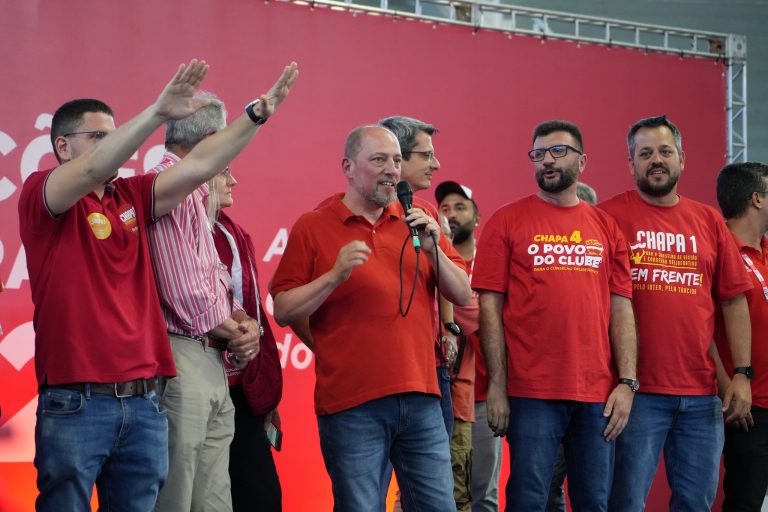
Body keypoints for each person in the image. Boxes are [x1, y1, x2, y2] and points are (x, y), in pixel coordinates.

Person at [19, 60, 213, 511]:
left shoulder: (128, 195)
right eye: (99, 137)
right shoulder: (41, 192)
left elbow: (200, 165)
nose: (115, 146)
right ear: (62, 146)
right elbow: (89, 173)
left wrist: (257, 116)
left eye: (115, 134)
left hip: (145, 402)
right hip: (76, 399)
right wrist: (157, 113)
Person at [270, 125, 471, 511]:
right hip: (352, 405)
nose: (392, 170)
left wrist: (434, 252)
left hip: (423, 399)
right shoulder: (314, 226)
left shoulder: (421, 217)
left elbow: (462, 293)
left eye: (396, 160)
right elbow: (283, 310)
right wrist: (333, 277)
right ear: (348, 166)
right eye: (379, 160)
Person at [148, 63, 298, 512]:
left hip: (214, 356)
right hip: (182, 354)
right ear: (211, 142)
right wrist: (233, 328)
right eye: (225, 147)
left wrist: (240, 326)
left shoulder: (198, 195)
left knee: (214, 499)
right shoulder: (165, 179)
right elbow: (183, 292)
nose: (231, 169)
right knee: (178, 494)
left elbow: (209, 280)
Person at [473, 120, 638, 511]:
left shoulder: (606, 228)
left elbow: (621, 307)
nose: (547, 160)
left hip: (597, 392)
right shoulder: (507, 220)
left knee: (593, 502)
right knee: (528, 500)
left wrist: (628, 382)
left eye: (558, 152)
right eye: (539, 153)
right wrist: (497, 385)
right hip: (532, 392)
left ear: (582, 161)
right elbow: (489, 306)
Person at [600, 115, 753, 511]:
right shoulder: (606, 218)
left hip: (701, 397)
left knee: (695, 504)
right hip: (634, 393)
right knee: (624, 502)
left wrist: (742, 373)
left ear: (682, 158)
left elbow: (734, 300)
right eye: (645, 153)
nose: (656, 160)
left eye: (665, 151)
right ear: (630, 163)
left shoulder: (708, 221)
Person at [379, 115, 462, 438]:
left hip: (431, 368)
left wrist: (449, 328)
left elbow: (455, 285)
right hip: (381, 375)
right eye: (426, 155)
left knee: (434, 483)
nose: (436, 164)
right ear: (396, 157)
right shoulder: (357, 212)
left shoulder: (425, 212)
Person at [207, 167, 284, 511]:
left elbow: (252, 309)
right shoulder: (170, 228)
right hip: (194, 386)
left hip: (242, 391)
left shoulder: (233, 233)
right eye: (223, 173)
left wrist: (265, 393)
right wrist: (237, 331)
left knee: (260, 497)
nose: (234, 181)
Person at [714, 162, 768, 511]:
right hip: (749, 406)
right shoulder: (719, 249)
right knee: (745, 502)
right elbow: (698, 329)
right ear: (756, 199)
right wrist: (729, 388)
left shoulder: (765, 250)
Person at [545, 180, 599, 512]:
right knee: (543, 489)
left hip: (594, 395)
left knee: (592, 494)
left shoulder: (603, 256)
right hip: (542, 394)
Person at [435, 180, 484, 512]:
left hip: (473, 395)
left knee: (467, 494)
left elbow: (473, 316)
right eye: (444, 209)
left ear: (476, 216)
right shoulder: (425, 252)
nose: (451, 215)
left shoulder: (487, 262)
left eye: (460, 207)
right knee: (414, 491)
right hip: (428, 393)